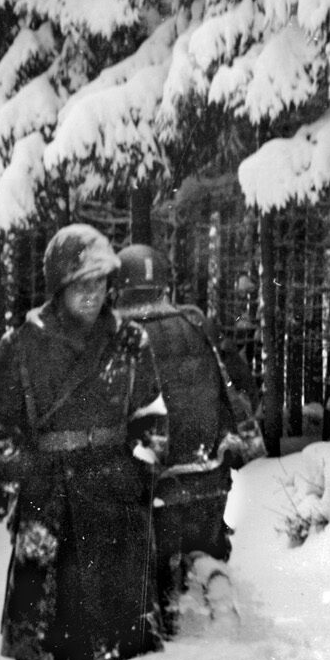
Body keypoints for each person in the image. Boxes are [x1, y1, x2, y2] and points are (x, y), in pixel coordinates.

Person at [0, 224, 167, 660]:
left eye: (100, 284)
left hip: (112, 506)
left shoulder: (130, 342)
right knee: (39, 656)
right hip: (48, 503)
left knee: (106, 650)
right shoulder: (22, 345)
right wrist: (27, 471)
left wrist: (136, 472)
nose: (93, 295)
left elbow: (152, 417)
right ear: (60, 287)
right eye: (83, 284)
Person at [112, 243, 264, 633]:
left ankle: (172, 652)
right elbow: (242, 387)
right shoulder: (197, 324)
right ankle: (218, 589)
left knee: (150, 575)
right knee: (204, 547)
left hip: (155, 483)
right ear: (164, 283)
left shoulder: (115, 339)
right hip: (209, 474)